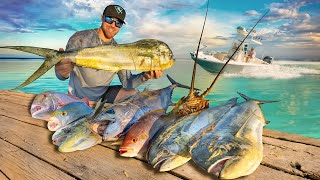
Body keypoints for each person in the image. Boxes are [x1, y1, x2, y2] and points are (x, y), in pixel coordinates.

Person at [55, 5, 163, 103]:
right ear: (102, 18)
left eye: (118, 23)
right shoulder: (80, 38)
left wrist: (146, 76)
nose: (113, 25)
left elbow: (127, 83)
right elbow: (62, 75)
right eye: (109, 19)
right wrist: (61, 72)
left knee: (134, 93)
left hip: (103, 95)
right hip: (77, 96)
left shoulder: (120, 51)